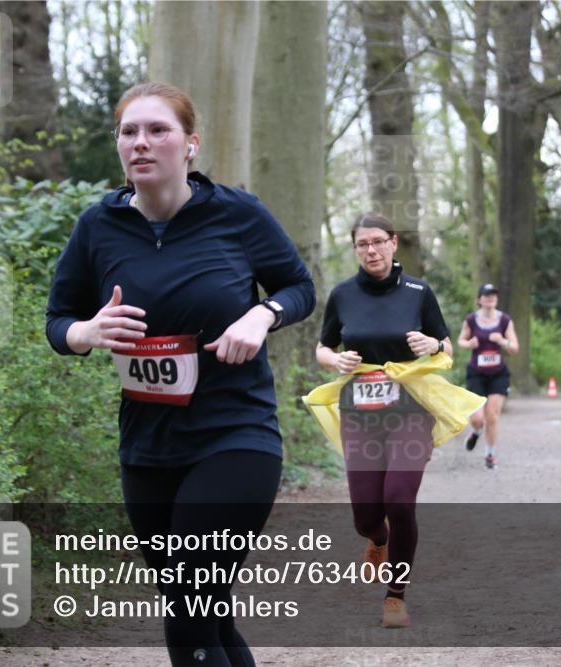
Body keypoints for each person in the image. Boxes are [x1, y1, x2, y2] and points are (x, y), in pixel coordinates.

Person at [46, 82, 315, 667]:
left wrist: (261, 314)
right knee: (204, 610)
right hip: (147, 448)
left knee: (190, 603)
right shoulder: (98, 227)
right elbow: (58, 320)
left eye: (157, 130)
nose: (141, 143)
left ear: (190, 145)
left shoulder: (237, 214)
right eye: (129, 132)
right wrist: (85, 333)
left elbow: (300, 289)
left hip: (235, 435)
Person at [314, 213, 455, 630]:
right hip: (360, 413)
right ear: (355, 248)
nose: (371, 250)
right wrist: (335, 359)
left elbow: (445, 344)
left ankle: (395, 596)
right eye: (362, 244)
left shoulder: (418, 292)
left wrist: (432, 343)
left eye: (378, 241)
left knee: (399, 498)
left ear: (394, 243)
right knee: (364, 515)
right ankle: (379, 539)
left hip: (410, 410)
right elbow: (323, 347)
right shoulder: (342, 295)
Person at [457, 283, 519, 469]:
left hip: (498, 374)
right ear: (479, 300)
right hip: (476, 374)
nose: (490, 298)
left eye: (493, 295)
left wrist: (502, 341)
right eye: (486, 295)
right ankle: (476, 432)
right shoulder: (471, 320)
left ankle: (490, 455)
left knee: (492, 415)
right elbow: (461, 340)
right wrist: (469, 344)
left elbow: (515, 348)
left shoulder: (505, 320)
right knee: (477, 418)